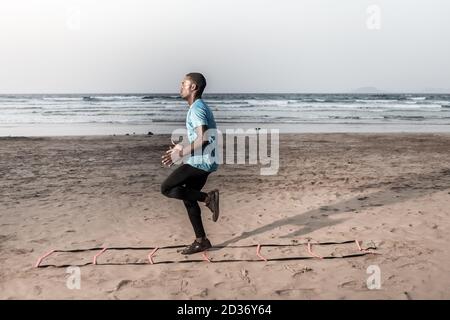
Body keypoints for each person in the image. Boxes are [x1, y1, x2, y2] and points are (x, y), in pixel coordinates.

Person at [161, 72, 220, 255]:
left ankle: (208, 198)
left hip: (200, 161)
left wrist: (179, 154)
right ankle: (201, 240)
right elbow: (198, 136)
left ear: (193, 87)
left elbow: (203, 138)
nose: (180, 87)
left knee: (167, 188)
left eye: (183, 83)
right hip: (204, 160)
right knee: (188, 197)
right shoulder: (198, 107)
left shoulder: (196, 108)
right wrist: (181, 145)